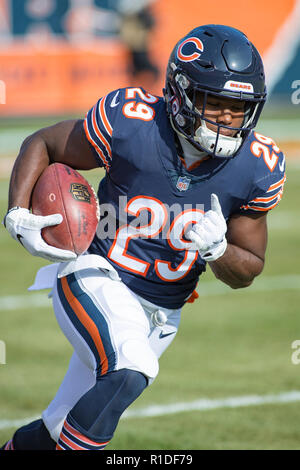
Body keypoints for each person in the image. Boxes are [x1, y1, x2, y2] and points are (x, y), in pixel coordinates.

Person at [2, 24, 285, 451]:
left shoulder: (256, 166)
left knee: (57, 430)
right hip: (94, 274)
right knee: (131, 368)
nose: (229, 119)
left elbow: (248, 268)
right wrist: (18, 213)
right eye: (218, 104)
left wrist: (220, 250)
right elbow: (43, 142)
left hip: (163, 313)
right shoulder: (132, 122)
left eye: (240, 108)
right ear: (180, 94)